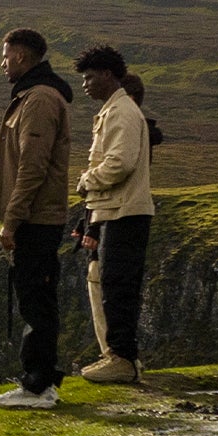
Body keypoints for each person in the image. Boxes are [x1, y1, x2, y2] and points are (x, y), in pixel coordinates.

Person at [0, 28, 71, 409]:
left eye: (6, 56)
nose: (2, 63)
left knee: (36, 301)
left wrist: (12, 221)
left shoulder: (39, 100)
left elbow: (32, 169)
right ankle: (39, 380)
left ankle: (39, 386)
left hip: (36, 220)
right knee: (34, 298)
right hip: (36, 218)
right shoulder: (34, 97)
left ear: (20, 56)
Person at [72, 44, 155, 384]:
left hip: (124, 211)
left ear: (107, 75)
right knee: (113, 282)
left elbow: (120, 163)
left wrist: (86, 180)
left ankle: (121, 358)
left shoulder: (121, 112)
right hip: (115, 209)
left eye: (89, 77)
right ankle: (119, 356)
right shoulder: (116, 110)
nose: (85, 85)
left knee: (118, 285)